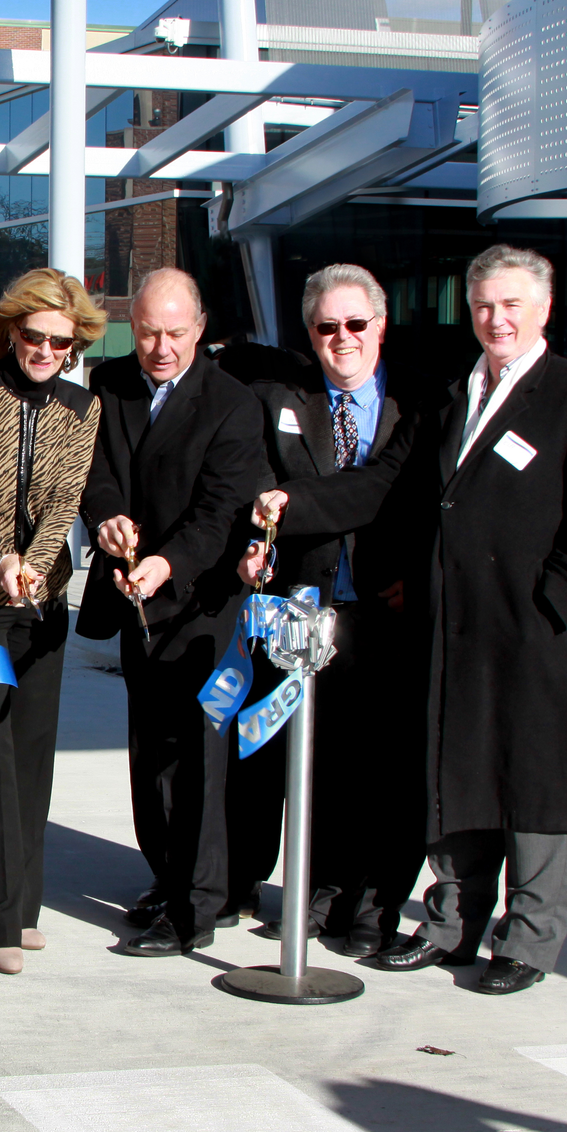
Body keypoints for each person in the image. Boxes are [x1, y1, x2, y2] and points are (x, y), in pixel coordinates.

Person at [262, 244, 567, 995]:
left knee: (531, 780)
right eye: (486, 306)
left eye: (512, 305)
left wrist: (555, 601)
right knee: (455, 773)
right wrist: (290, 505)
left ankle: (529, 938)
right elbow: (381, 484)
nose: (497, 319)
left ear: (544, 310)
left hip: (525, 623)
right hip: (450, 623)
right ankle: (451, 925)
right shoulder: (456, 396)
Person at [230, 264, 431, 957]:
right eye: (327, 327)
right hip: (306, 612)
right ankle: (320, 890)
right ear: (310, 334)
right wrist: (257, 543)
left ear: (380, 326)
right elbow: (253, 481)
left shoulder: (421, 400)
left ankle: (378, 903)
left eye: (356, 324)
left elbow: (425, 500)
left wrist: (419, 574)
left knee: (390, 768)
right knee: (319, 759)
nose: (342, 339)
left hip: (389, 607)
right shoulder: (281, 399)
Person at [78, 266, 264, 957]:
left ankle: (198, 905)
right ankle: (165, 876)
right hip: (133, 599)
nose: (159, 347)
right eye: (148, 331)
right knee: (148, 752)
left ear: (201, 328)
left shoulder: (232, 404)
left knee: (199, 761)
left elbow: (221, 513)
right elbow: (94, 472)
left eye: (174, 334)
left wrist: (167, 563)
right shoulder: (112, 385)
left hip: (199, 604)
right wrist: (105, 520)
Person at [0, 269, 104, 974]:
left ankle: (23, 906)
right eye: (33, 336)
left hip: (40, 603)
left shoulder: (81, 405)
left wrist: (32, 567)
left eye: (60, 341)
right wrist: (3, 558)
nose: (44, 349)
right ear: (10, 331)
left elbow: (67, 497)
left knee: (32, 759)